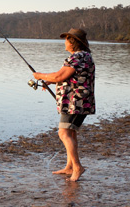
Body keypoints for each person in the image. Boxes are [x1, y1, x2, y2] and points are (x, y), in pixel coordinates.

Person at [33, 28, 95, 181]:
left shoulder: (77, 57)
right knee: (71, 132)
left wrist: (39, 75)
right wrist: (50, 80)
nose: (65, 42)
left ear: (72, 42)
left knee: (63, 133)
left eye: (67, 39)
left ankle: (78, 167)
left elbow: (60, 75)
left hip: (75, 102)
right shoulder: (85, 56)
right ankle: (70, 167)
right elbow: (67, 76)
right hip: (80, 102)